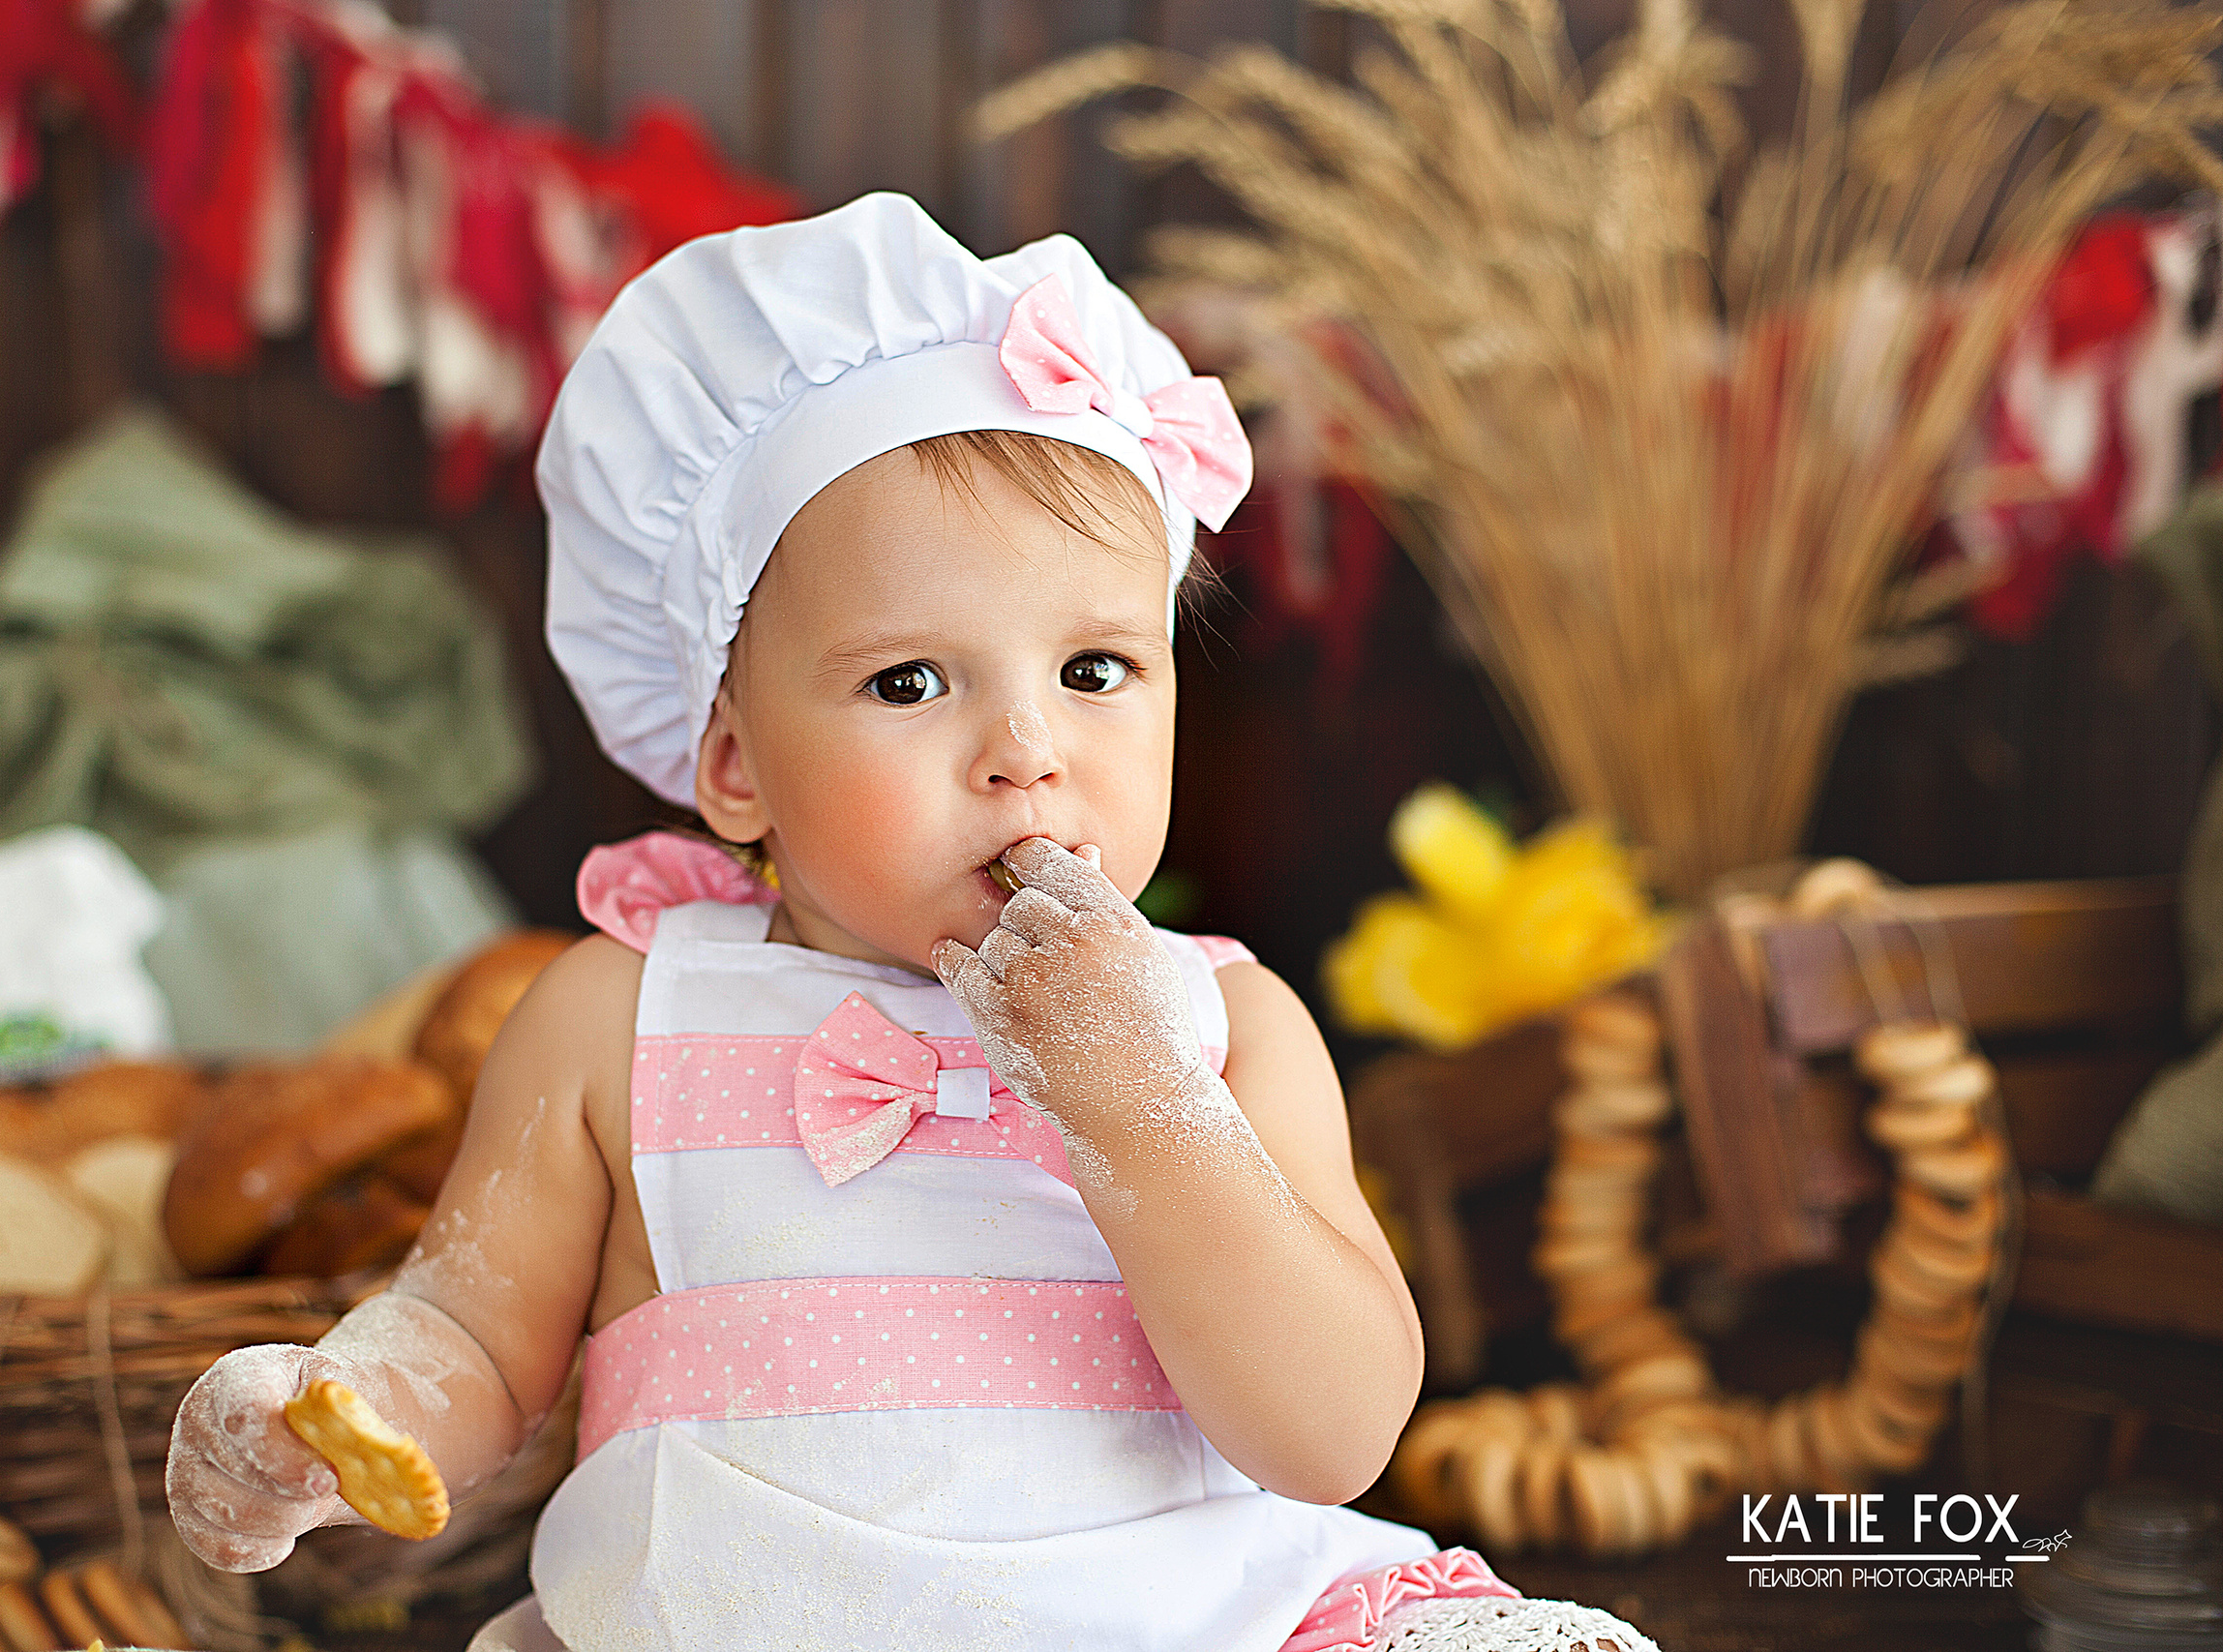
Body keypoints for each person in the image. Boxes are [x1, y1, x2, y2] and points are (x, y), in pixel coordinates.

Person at [165, 193, 1537, 1650]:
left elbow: (1334, 1438)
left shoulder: (1226, 1026)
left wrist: (1139, 1104)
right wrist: (335, 1412)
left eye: (1094, 669)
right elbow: (472, 1336)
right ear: (735, 765)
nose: (1026, 751)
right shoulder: (620, 1017)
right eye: (908, 683)